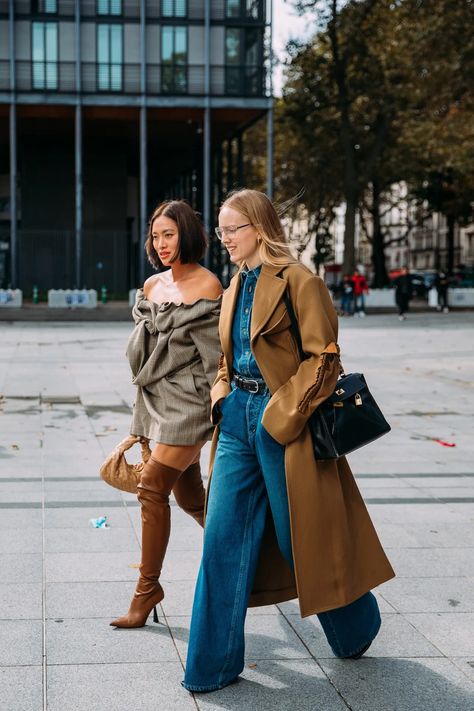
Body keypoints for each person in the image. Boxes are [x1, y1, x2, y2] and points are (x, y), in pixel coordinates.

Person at [182, 189, 395, 693]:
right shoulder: (233, 288)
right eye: (220, 230)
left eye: (232, 229)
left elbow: (325, 358)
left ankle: (356, 626)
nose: (224, 239)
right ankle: (209, 668)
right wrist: (221, 400)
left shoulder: (301, 281)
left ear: (258, 227)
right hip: (236, 422)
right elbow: (224, 360)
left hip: (284, 422)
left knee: (298, 538)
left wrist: (280, 418)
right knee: (221, 542)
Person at [110, 200, 222, 629]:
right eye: (156, 236)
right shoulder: (152, 285)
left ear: (188, 234)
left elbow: (216, 360)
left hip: (189, 406)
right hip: (156, 401)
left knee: (152, 488)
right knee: (190, 495)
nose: (161, 244)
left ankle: (146, 591)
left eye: (169, 234)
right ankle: (258, 557)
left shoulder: (208, 285)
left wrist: (217, 407)